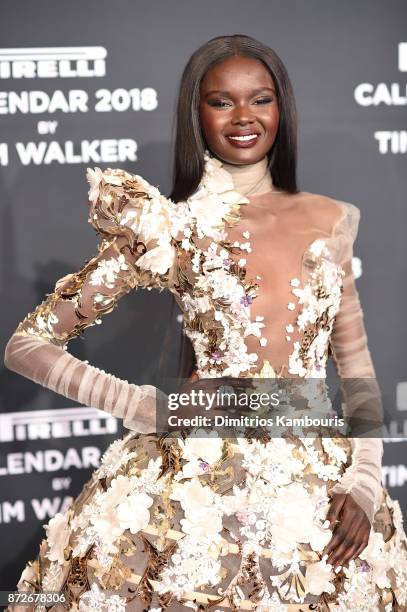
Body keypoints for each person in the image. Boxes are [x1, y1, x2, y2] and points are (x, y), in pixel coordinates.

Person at [3, 34, 407, 611]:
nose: (244, 117)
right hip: (193, 484)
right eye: (222, 102)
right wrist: (148, 407)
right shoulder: (169, 226)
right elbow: (28, 345)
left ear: (281, 109)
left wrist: (365, 483)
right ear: (197, 113)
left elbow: (357, 367)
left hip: (321, 492)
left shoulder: (332, 219)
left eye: (260, 99)